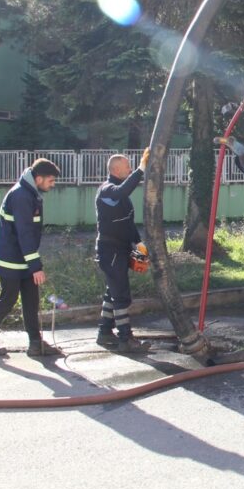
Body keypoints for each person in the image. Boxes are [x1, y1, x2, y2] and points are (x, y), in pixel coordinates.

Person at [0, 158, 60, 357]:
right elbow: (25, 233)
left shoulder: (30, 192)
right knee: (8, 298)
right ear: (38, 179)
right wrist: (35, 266)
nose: (53, 185)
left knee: (31, 300)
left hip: (22, 259)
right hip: (10, 260)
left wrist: (32, 264)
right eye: (50, 181)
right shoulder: (21, 196)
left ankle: (36, 343)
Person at [95, 149, 151, 352]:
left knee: (112, 292)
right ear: (116, 169)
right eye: (127, 166)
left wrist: (139, 246)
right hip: (110, 251)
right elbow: (123, 191)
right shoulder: (108, 190)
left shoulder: (118, 192)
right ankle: (126, 338)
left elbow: (126, 222)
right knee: (121, 296)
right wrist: (141, 169)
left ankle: (104, 332)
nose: (130, 168)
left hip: (120, 249)